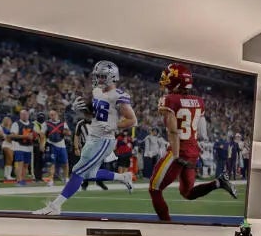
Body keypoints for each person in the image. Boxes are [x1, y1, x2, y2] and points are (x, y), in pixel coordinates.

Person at [33, 61, 136, 216]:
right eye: (98, 76)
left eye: (102, 76)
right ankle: (123, 177)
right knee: (89, 174)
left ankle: (55, 206)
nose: (99, 79)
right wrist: (79, 110)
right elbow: (94, 116)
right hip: (93, 137)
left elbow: (132, 120)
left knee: (78, 172)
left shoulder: (118, 95)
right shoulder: (97, 92)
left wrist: (114, 126)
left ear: (112, 77)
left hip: (104, 140)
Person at [147, 63, 237, 222]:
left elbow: (173, 131)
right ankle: (218, 183)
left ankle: (166, 224)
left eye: (168, 77)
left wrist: (175, 155)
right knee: (187, 193)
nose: (165, 80)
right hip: (192, 151)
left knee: (154, 189)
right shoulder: (199, 101)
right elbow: (202, 133)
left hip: (178, 151)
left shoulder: (169, 99)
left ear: (176, 81)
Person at [41, 110, 71, 185]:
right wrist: (42, 144)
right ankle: (51, 180)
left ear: (57, 115)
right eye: (51, 115)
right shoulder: (46, 123)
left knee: (65, 162)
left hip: (61, 145)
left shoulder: (63, 123)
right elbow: (42, 134)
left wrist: (66, 132)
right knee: (52, 163)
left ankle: (66, 178)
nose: (52, 116)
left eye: (53, 114)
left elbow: (69, 133)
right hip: (51, 145)